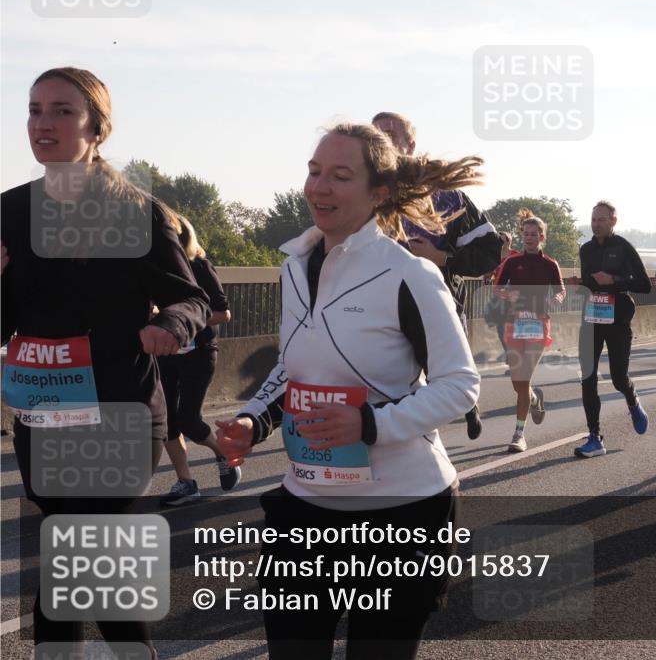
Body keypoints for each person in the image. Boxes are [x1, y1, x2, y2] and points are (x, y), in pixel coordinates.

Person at [214, 122, 480, 660]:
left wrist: (369, 426)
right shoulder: (293, 268)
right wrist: (253, 421)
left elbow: (460, 385)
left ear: (378, 193)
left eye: (340, 176)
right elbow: (292, 367)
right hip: (307, 502)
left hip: (401, 510)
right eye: (314, 172)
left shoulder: (410, 275)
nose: (319, 188)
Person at [1, 67, 209, 656]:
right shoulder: (10, 211)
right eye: (35, 110)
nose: (43, 124)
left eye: (62, 111)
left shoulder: (137, 211)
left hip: (119, 409)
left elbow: (192, 297)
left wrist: (168, 325)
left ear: (96, 128)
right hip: (43, 415)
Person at [372, 111, 501, 440]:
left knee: (443, 377)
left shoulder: (445, 194)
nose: (382, 138)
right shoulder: (362, 194)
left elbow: (490, 251)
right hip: (380, 306)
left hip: (435, 301)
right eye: (375, 133)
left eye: (390, 133)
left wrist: (441, 257)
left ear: (410, 145)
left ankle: (467, 406)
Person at [157, 212, 239, 505]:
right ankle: (186, 482)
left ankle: (224, 454)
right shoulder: (157, 269)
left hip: (199, 353)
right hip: (166, 352)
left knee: (189, 420)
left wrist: (183, 321)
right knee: (166, 422)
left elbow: (223, 313)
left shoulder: (199, 265)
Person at [564, 201, 651, 458]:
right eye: (593, 219)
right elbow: (590, 282)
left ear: (613, 221)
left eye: (601, 219)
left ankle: (632, 400)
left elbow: (645, 284)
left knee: (617, 378)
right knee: (587, 377)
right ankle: (595, 437)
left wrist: (615, 280)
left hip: (618, 320)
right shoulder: (586, 249)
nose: (596, 224)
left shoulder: (624, 247)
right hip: (591, 318)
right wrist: (579, 283)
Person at [493, 209, 565, 452]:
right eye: (526, 234)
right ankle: (534, 399)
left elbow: (561, 290)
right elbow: (496, 288)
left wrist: (556, 299)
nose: (529, 237)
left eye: (534, 234)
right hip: (514, 324)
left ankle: (518, 433)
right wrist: (507, 294)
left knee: (523, 378)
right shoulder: (512, 262)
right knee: (518, 384)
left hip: (537, 324)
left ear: (542, 237)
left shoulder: (550, 264)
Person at [484, 231, 517, 367]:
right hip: (499, 297)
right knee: (500, 329)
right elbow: (487, 277)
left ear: (509, 242)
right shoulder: (494, 257)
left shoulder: (515, 255)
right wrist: (488, 273)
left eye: (504, 241)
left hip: (515, 297)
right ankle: (510, 355)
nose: (502, 244)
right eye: (499, 241)